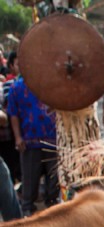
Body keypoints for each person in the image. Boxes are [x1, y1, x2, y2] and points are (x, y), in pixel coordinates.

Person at [6, 74, 58, 217]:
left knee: (54, 184)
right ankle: (28, 216)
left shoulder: (53, 83)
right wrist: (17, 137)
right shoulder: (17, 87)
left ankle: (54, 215)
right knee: (29, 183)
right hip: (29, 141)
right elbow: (13, 114)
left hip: (53, 139)